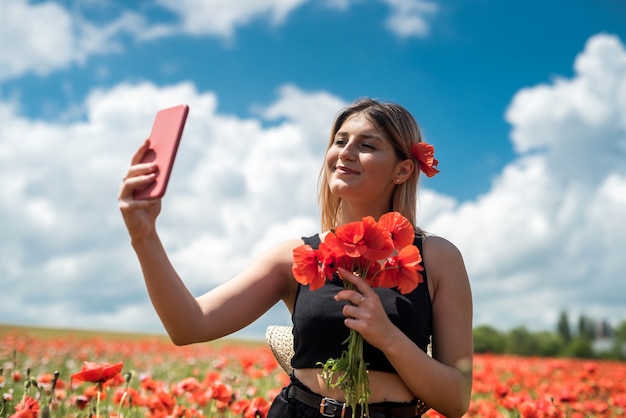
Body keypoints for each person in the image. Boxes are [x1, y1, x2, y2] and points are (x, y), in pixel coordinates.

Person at [118, 98, 473, 417]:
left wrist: (389, 338)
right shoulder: (296, 257)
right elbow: (189, 326)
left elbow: (456, 399)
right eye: (339, 141)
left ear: (403, 170)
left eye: (367, 145)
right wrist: (144, 236)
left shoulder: (438, 258)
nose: (346, 152)